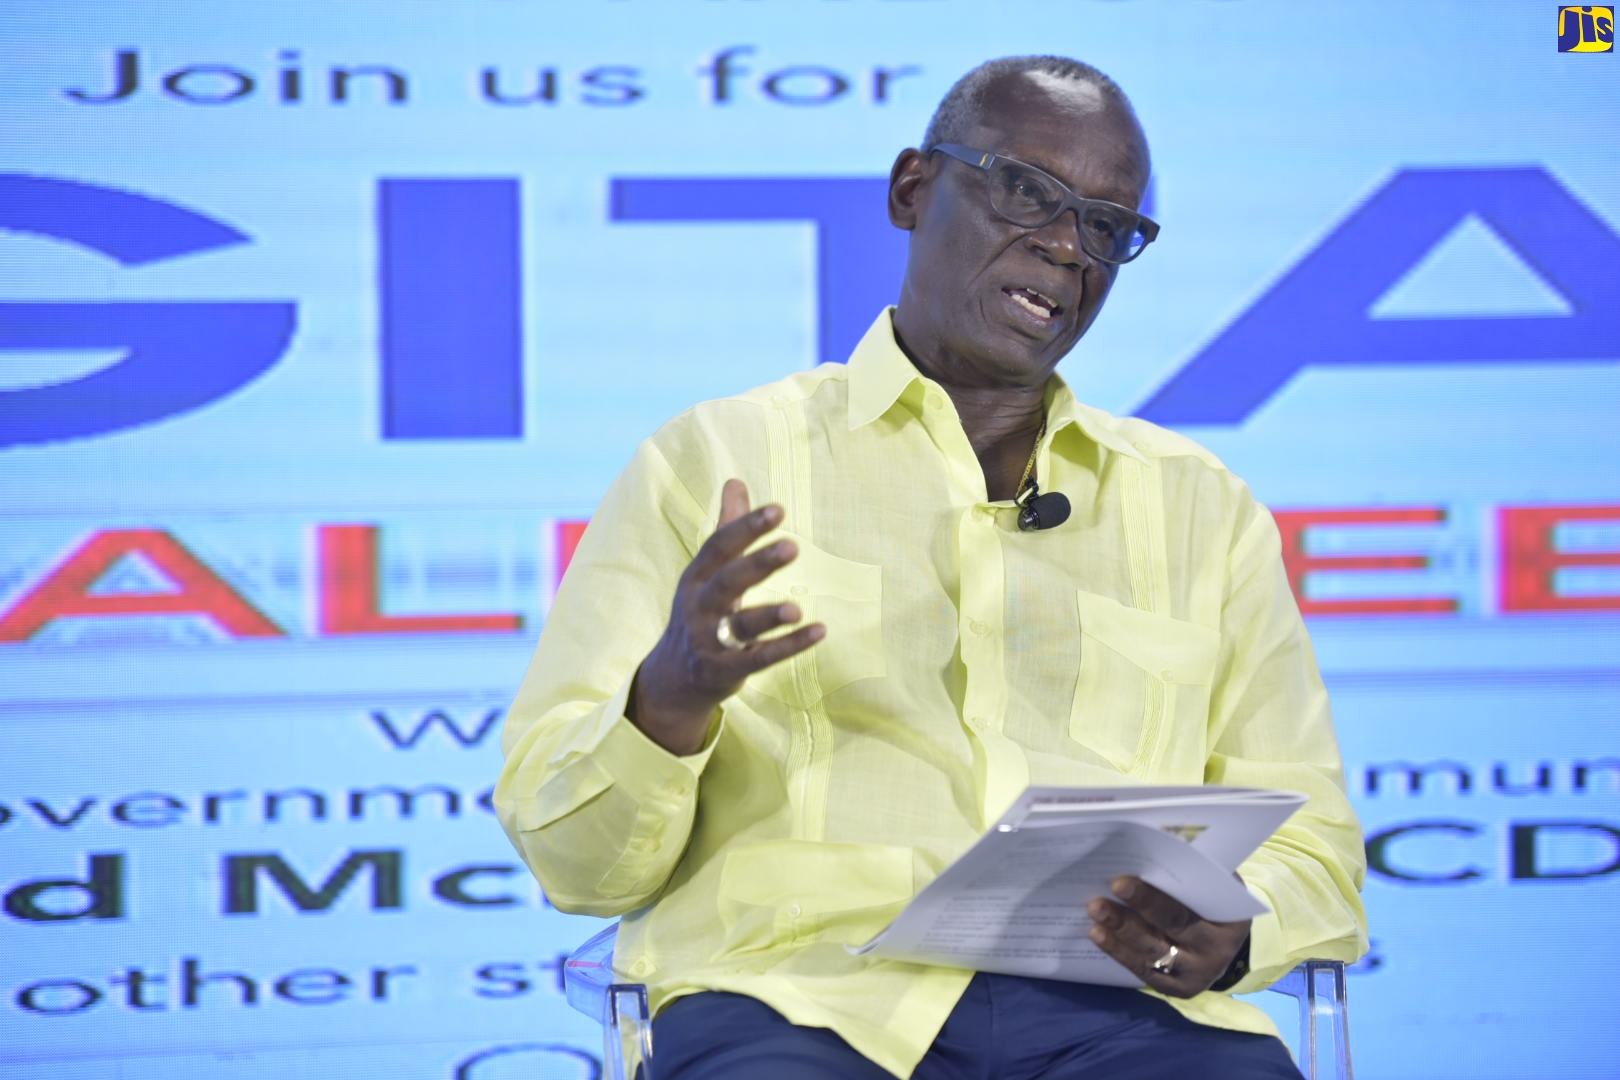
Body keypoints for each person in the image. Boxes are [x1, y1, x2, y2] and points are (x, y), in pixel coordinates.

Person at [496, 55, 1367, 1080]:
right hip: (800, 1004)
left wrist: (1239, 931)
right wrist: (671, 701)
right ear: (914, 188)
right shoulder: (715, 463)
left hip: (1120, 1019)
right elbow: (575, 864)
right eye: (1026, 191)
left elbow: (1318, 853)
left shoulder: (1199, 507)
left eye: (1105, 226)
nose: (1064, 246)